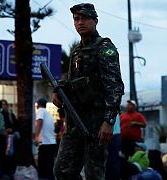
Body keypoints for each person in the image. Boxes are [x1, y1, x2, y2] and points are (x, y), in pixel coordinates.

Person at [51, 3, 124, 179]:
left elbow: (115, 86)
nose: (80, 22)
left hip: (96, 125)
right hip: (75, 124)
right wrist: (58, 90)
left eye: (84, 18)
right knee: (61, 171)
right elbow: (72, 83)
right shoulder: (77, 52)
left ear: (95, 21)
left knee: (94, 174)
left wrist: (108, 121)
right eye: (76, 19)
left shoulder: (104, 47)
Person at [34, 98, 56, 180]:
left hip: (45, 144)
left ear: (39, 105)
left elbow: (39, 122)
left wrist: (36, 136)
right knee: (49, 166)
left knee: (42, 167)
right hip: (51, 143)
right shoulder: (48, 114)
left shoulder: (41, 110)